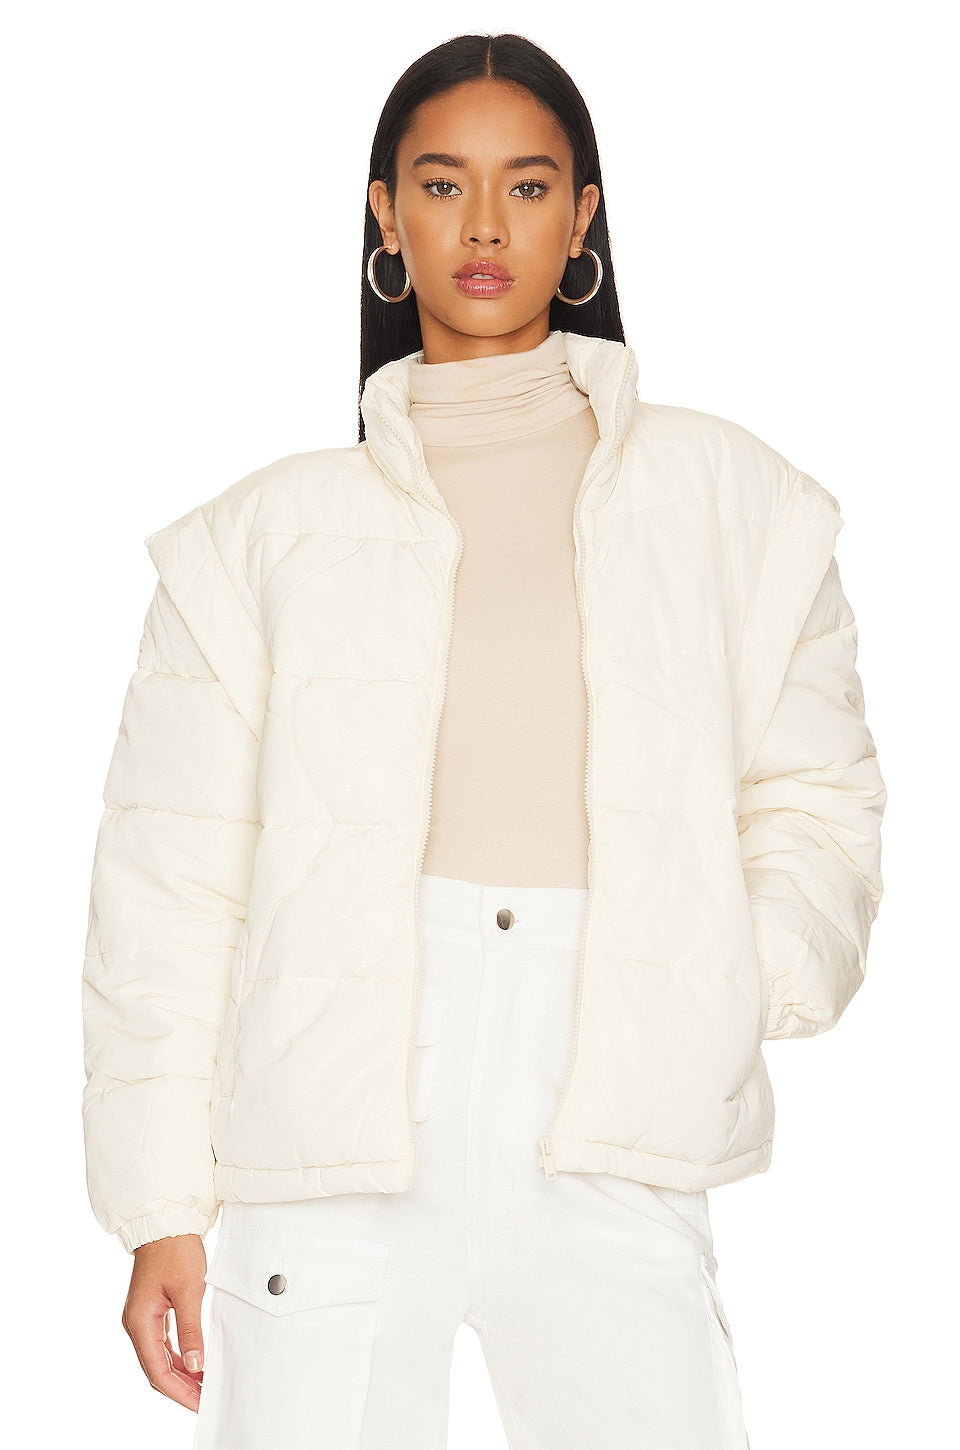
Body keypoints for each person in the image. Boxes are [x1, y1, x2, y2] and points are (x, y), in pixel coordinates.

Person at [81, 31, 886, 1450]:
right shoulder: (257, 541)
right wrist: (158, 1208)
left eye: (529, 186)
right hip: (329, 1114)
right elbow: (170, 889)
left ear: (583, 218)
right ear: (385, 213)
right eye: (444, 184)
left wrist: (721, 971)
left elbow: (818, 799)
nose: (485, 226)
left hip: (614, 1094)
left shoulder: (741, 506)